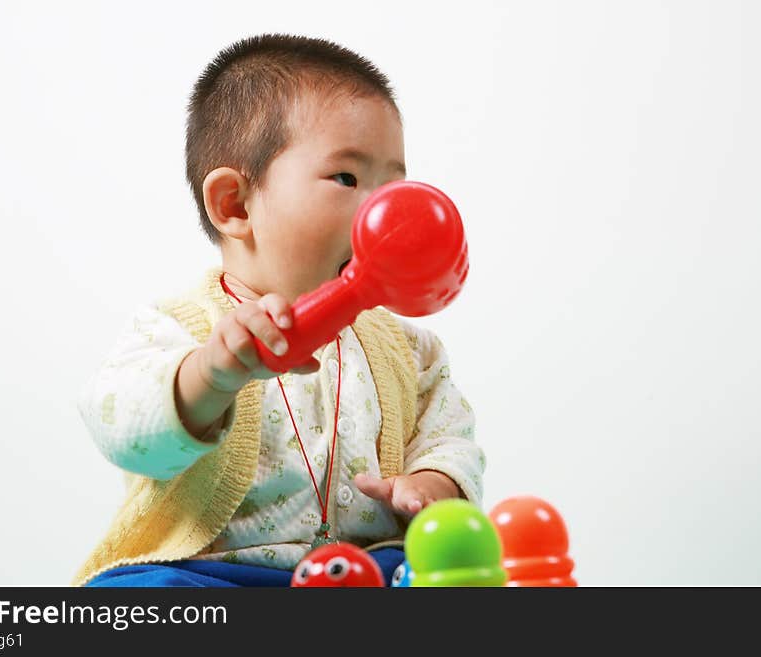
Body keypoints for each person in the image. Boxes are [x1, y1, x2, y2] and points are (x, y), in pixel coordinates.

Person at [72, 33, 485, 587]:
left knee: (449, 572)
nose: (386, 211)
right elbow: (122, 428)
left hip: (367, 567)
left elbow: (448, 433)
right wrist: (208, 375)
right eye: (347, 178)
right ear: (235, 204)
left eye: (394, 187)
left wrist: (434, 482)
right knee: (138, 595)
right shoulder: (179, 329)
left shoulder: (407, 348)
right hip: (222, 574)